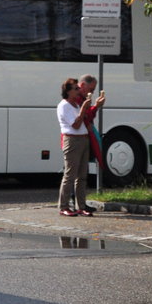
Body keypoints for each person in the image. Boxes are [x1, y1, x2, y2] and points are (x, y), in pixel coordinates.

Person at [56, 77, 102, 217]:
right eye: (76, 89)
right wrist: (83, 109)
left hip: (83, 140)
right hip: (73, 141)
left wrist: (92, 107)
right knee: (70, 175)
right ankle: (63, 206)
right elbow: (75, 124)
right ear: (68, 91)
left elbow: (85, 120)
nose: (78, 91)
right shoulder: (64, 105)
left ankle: (81, 206)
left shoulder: (75, 105)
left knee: (82, 176)